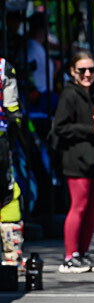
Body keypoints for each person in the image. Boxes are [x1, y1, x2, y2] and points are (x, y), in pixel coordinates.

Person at [52, 52, 94, 273]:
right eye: (82, 70)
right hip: (76, 157)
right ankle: (70, 255)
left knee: (92, 208)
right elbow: (61, 127)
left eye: (91, 70)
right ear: (72, 72)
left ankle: (83, 253)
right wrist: (91, 131)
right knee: (79, 206)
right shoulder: (69, 94)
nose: (87, 75)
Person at [0, 57, 24, 268]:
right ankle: (11, 257)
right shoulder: (3, 66)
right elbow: (13, 111)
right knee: (8, 194)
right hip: (1, 141)